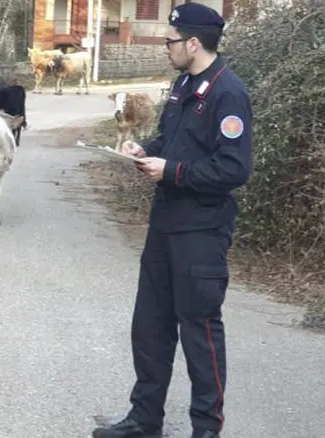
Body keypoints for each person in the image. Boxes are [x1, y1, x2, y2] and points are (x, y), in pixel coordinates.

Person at [93, 3, 253, 438]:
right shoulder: (184, 83)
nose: (166, 48)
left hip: (201, 231)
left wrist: (173, 171)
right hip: (165, 225)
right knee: (150, 327)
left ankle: (206, 428)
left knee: (199, 331)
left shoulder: (227, 93)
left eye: (170, 41)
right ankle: (145, 419)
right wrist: (145, 149)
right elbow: (172, 139)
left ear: (194, 43)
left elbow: (234, 169)